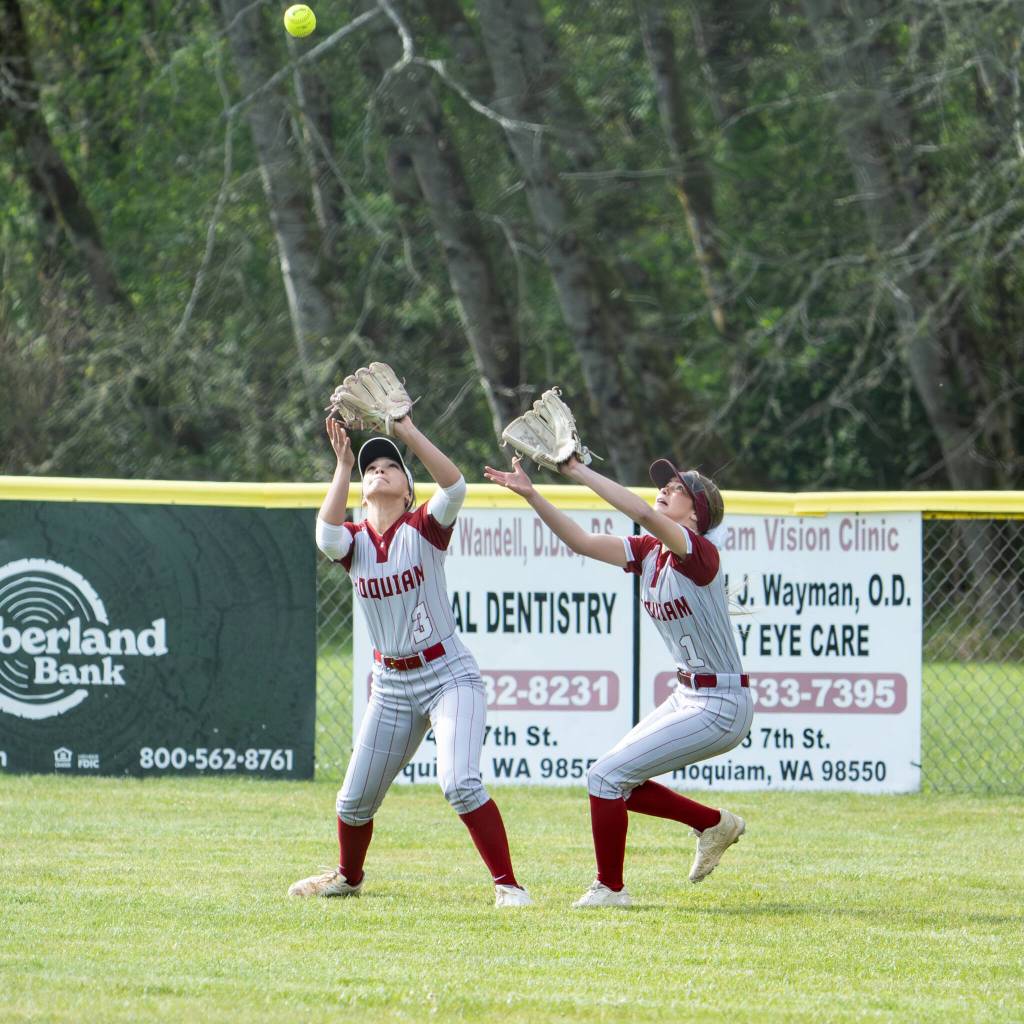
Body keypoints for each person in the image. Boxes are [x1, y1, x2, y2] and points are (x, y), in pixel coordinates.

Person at [483, 452, 752, 908]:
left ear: (696, 512)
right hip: (690, 694)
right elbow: (583, 542)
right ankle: (713, 823)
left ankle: (611, 889)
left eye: (678, 489)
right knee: (613, 780)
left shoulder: (698, 555)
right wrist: (533, 495)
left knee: (605, 777)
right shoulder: (650, 554)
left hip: (721, 703)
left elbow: (642, 513)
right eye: (665, 486)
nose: (664, 491)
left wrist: (575, 469)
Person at [289, 411, 532, 907]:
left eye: (390, 466)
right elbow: (324, 534)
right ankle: (348, 877)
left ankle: (509, 886)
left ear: (407, 492)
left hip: (448, 677)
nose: (377, 469)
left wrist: (406, 432)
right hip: (392, 685)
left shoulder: (423, 527)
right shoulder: (353, 542)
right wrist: (341, 466)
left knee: (459, 783)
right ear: (360, 491)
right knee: (353, 803)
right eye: (369, 467)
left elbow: (456, 486)